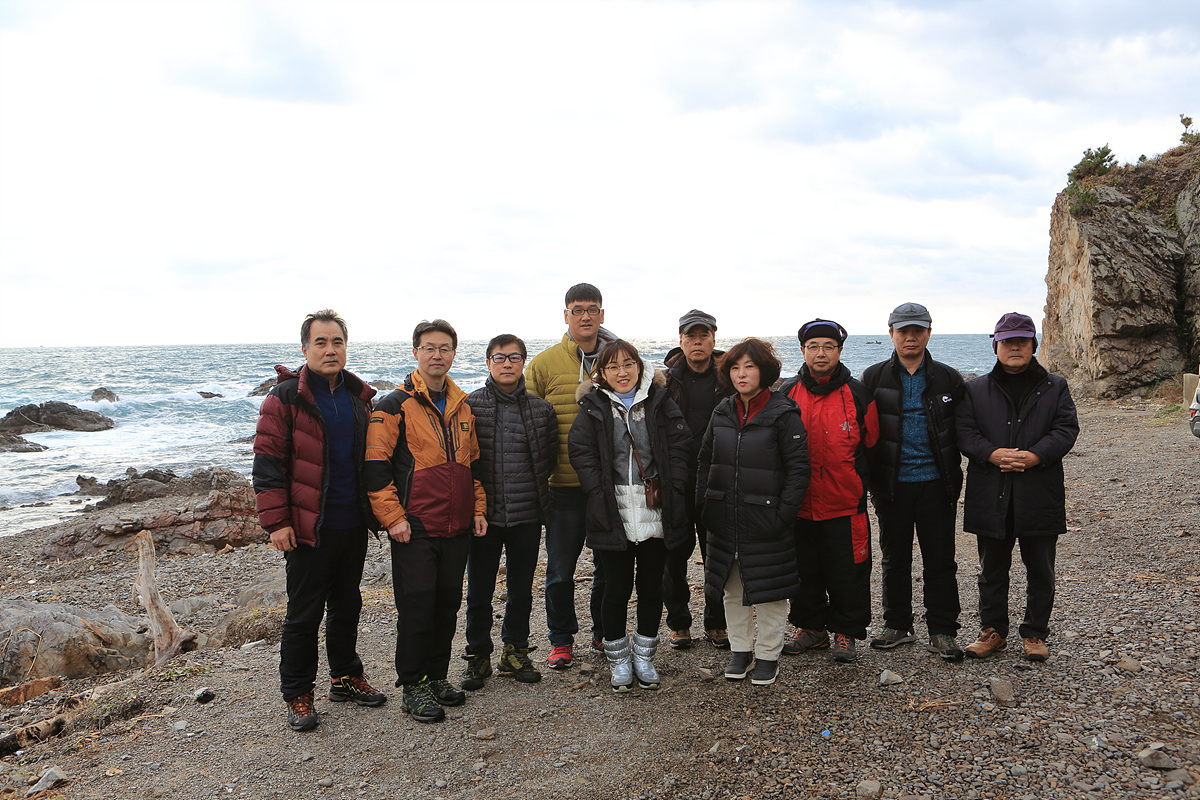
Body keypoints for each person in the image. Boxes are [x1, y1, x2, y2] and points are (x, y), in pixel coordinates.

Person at [252, 309, 386, 732]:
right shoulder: (284, 399)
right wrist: (277, 523)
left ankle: (345, 678)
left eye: (337, 342)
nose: (330, 350)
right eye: (321, 342)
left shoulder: (358, 397)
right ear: (305, 348)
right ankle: (297, 692)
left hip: (352, 522)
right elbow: (267, 466)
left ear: (346, 347)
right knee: (304, 614)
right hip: (308, 527)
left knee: (347, 605)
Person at [365, 319, 487, 723]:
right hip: (414, 526)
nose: (437, 355)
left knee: (447, 605)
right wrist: (393, 518)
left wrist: (477, 509)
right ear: (416, 352)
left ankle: (436, 676)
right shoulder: (393, 405)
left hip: (457, 525)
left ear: (454, 353)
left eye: (445, 348)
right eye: (429, 348)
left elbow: (473, 465)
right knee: (417, 608)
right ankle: (412, 685)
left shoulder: (462, 406)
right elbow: (375, 467)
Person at [568, 340, 690, 691]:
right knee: (615, 588)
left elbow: (680, 446)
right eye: (613, 367)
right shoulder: (594, 406)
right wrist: (596, 490)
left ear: (639, 366)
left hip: (655, 504)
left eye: (628, 364)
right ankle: (619, 660)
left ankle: (645, 657)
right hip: (612, 506)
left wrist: (675, 485)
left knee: (652, 587)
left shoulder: (659, 401)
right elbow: (580, 450)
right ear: (602, 373)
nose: (622, 372)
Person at [956, 312, 1079, 662]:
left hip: (1039, 491)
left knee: (1041, 568)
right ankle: (992, 631)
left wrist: (1036, 456)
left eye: (1021, 341)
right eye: (1007, 341)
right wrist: (991, 453)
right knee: (991, 570)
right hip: (990, 492)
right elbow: (964, 431)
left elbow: (1066, 429)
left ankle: (1035, 633)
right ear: (995, 345)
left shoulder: (1055, 386)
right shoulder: (975, 389)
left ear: (1033, 345)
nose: (1014, 347)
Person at [697, 338, 810, 686]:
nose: (741, 374)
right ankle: (740, 650)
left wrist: (783, 515)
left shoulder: (783, 413)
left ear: (765, 371)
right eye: (735, 367)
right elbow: (705, 461)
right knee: (732, 589)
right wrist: (704, 505)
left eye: (749, 366)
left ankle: (768, 655)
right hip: (724, 518)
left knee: (769, 591)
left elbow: (798, 470)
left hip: (766, 518)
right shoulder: (722, 411)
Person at [861, 302, 967, 660]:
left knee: (941, 560)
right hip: (891, 485)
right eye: (903, 330)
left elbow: (964, 428)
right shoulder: (873, 378)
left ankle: (943, 630)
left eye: (917, 330)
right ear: (891, 333)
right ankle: (897, 625)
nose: (910, 337)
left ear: (929, 333)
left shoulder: (949, 378)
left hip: (938, 483)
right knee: (894, 558)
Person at [526, 283, 617, 669]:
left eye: (592, 309)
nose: (585, 316)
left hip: (608, 486)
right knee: (560, 570)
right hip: (561, 486)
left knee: (607, 568)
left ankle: (602, 633)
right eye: (577, 309)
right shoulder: (544, 364)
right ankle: (561, 639)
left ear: (602, 314)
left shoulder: (618, 360)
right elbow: (526, 421)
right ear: (566, 315)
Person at [460, 334, 558, 691]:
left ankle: (515, 650)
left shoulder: (541, 409)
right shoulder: (469, 406)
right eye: (499, 357)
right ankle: (478, 654)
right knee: (479, 591)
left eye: (514, 357)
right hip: (482, 516)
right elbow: (464, 461)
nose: (507, 364)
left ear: (523, 363)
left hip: (527, 514)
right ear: (488, 363)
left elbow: (549, 459)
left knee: (521, 589)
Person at [781, 318, 879, 663]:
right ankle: (811, 628)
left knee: (849, 572)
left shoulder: (858, 393)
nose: (820, 353)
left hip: (845, 503)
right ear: (803, 351)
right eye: (813, 347)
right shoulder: (787, 393)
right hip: (800, 503)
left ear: (839, 351)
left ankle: (845, 632)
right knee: (803, 570)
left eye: (828, 347)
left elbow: (873, 443)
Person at [662, 309, 734, 650]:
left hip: (717, 478)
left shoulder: (729, 377)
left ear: (713, 338)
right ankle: (679, 624)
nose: (697, 342)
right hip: (676, 479)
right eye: (691, 336)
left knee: (717, 554)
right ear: (681, 340)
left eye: (704, 335)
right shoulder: (664, 380)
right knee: (673, 556)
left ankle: (717, 623)